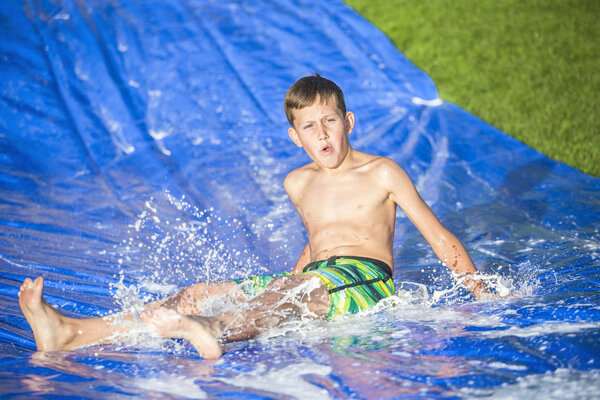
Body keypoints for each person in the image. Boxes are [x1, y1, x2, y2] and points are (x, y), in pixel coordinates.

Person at [18, 74, 493, 359]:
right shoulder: (298, 182)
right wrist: (281, 284)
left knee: (291, 292)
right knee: (198, 294)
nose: (322, 134)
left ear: (348, 122)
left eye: (330, 121)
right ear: (295, 137)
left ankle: (213, 331)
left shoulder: (382, 172)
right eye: (310, 127)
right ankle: (71, 333)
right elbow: (316, 242)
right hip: (319, 278)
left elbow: (436, 233)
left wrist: (478, 288)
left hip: (365, 280)